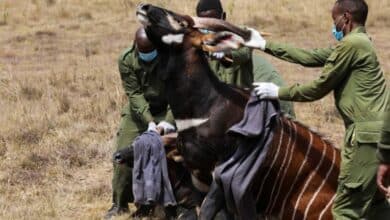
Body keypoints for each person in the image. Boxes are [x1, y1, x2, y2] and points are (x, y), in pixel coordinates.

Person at [250, 0, 390, 218]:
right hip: (374, 138)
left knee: (345, 210)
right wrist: (264, 45)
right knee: (375, 207)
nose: (333, 26)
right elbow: (310, 57)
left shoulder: (353, 45)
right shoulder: (358, 43)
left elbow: (318, 88)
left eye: (334, 20)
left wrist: (278, 92)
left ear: (346, 18)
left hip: (365, 139)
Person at [105, 28, 176, 219]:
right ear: (135, 46)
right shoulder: (126, 59)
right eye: (142, 52)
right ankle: (119, 204)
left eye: (150, 51)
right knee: (122, 154)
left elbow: (177, 94)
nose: (147, 56)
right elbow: (134, 95)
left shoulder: (171, 58)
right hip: (138, 112)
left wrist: (166, 124)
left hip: (170, 109)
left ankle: (171, 203)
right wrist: (150, 123)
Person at [196, 0, 295, 117]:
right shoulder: (203, 46)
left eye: (213, 22)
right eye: (205, 24)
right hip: (248, 102)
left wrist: (224, 55)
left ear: (223, 17)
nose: (209, 28)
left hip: (273, 98)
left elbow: (242, 52)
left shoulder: (239, 35)